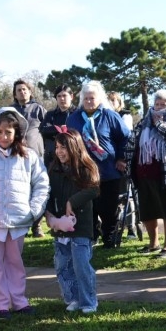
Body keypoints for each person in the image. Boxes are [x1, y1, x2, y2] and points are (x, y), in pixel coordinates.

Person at [0, 108, 49, 319]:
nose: (4, 136)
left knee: (15, 262)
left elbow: (42, 184)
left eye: (8, 132)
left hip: (19, 220)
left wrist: (33, 211)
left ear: (16, 132)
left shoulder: (29, 156)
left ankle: (19, 300)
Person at [124, 89, 166, 259]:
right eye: (157, 104)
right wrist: (127, 162)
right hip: (144, 174)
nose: (159, 108)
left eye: (163, 104)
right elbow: (132, 142)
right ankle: (153, 244)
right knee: (148, 210)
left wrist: (160, 124)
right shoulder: (144, 122)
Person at [66, 80, 131, 249]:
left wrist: (121, 158)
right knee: (89, 206)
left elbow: (125, 137)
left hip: (109, 170)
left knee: (108, 206)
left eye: (92, 98)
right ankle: (92, 235)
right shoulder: (73, 118)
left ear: (99, 98)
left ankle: (110, 236)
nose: (89, 101)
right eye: (86, 98)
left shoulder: (110, 115)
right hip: (84, 171)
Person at [45, 128, 100, 314]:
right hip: (60, 227)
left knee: (81, 265)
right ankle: (73, 297)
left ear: (75, 147)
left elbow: (93, 189)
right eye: (57, 147)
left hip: (81, 228)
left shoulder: (86, 168)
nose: (59, 151)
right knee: (62, 265)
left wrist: (72, 202)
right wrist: (50, 215)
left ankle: (88, 301)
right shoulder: (53, 169)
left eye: (64, 147)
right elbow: (48, 194)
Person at [12, 79, 48, 237]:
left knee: (37, 189)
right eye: (19, 90)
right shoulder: (10, 111)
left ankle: (37, 225)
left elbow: (47, 129)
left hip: (37, 157)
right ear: (14, 93)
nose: (22, 92)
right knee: (21, 190)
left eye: (24, 89)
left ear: (30, 91)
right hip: (15, 157)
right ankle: (22, 224)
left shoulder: (39, 109)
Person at [40, 84, 76, 167]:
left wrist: (54, 130)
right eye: (59, 96)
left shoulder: (78, 114)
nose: (62, 99)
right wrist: (61, 128)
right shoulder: (50, 115)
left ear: (71, 96)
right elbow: (43, 130)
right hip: (52, 157)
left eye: (64, 95)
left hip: (73, 157)